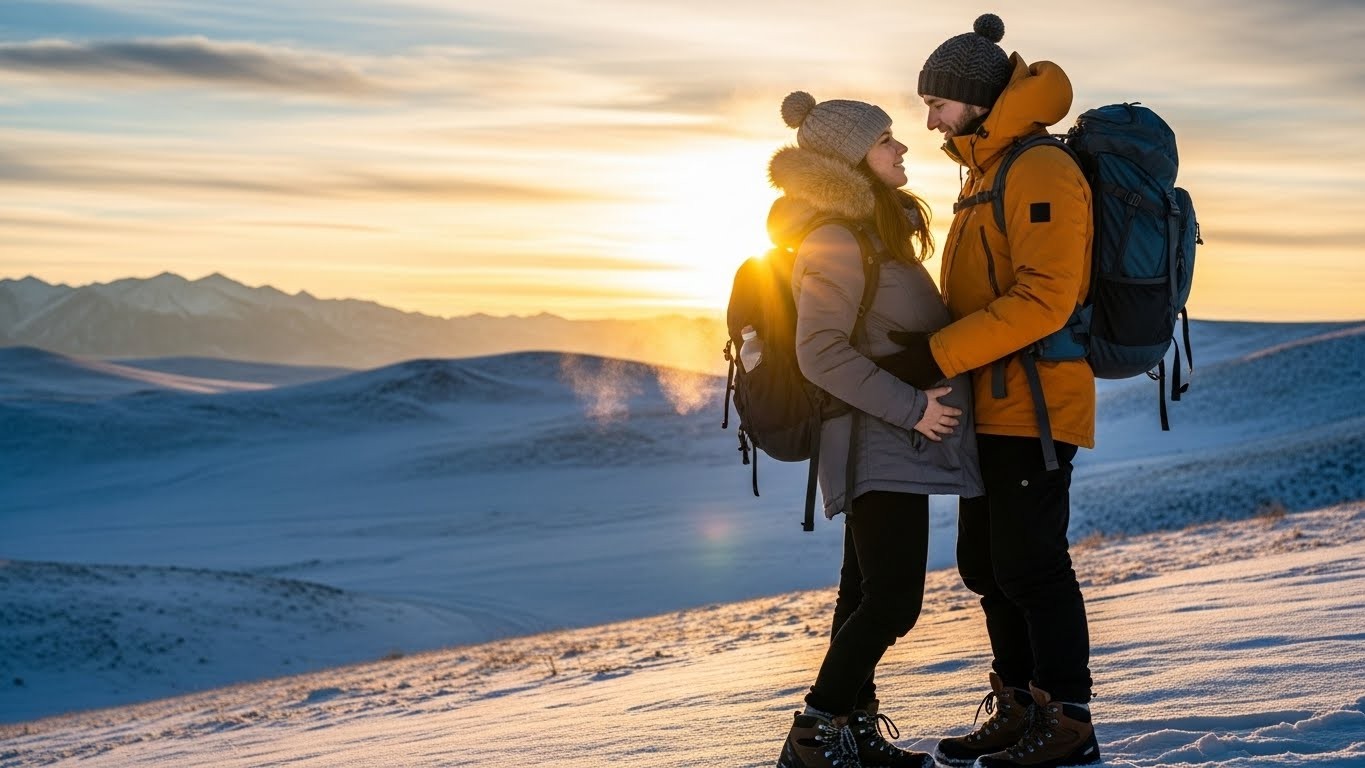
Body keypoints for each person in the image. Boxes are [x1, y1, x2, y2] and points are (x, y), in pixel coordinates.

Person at [874, 12, 1101, 768]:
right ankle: (1019, 707)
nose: (929, 120)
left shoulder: (1038, 168)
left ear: (975, 97)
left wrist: (934, 354)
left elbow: (1045, 298)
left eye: (936, 103)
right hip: (988, 402)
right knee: (987, 567)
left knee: (1032, 564)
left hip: (1035, 404)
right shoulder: (984, 172)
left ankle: (1067, 721)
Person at [769, 90, 984, 768]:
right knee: (892, 602)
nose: (901, 146)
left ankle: (852, 733)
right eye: (885, 139)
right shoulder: (835, 239)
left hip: (887, 443)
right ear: (850, 159)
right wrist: (912, 408)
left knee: (864, 595)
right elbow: (820, 352)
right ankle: (813, 734)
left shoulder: (873, 236)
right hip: (874, 443)